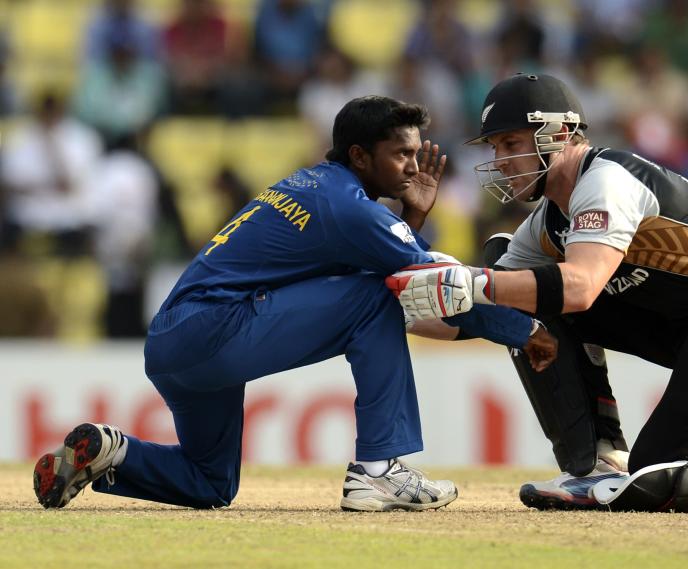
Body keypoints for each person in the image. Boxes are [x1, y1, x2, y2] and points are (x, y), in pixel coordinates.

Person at [33, 95, 557, 512]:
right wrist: (527, 330)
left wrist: (410, 221)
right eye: (401, 153)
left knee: (210, 481)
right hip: (218, 328)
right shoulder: (350, 209)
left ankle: (110, 452)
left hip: (173, 338)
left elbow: (375, 259)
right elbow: (431, 283)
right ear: (359, 155)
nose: (413, 167)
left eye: (418, 153)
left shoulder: (314, 186)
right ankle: (379, 472)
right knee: (378, 299)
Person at [387, 74, 688, 510]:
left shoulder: (607, 181)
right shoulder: (545, 222)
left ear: (559, 132)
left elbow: (579, 289)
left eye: (511, 143)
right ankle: (598, 463)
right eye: (495, 148)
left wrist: (473, 283)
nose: (501, 161)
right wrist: (388, 309)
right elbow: (480, 313)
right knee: (512, 279)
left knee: (656, 472)